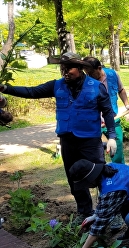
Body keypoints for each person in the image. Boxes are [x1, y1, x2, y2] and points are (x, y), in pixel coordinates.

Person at [0, 52, 117, 223]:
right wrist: (5, 88)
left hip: (90, 140)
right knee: (74, 177)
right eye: (63, 68)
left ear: (80, 68)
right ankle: (84, 211)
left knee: (100, 174)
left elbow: (107, 111)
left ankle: (110, 213)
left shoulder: (96, 86)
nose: (65, 72)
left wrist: (112, 136)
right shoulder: (57, 85)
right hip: (68, 140)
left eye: (69, 68)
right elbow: (32, 92)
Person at [83, 57, 129, 164]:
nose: (89, 75)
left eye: (91, 72)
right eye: (86, 72)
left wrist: (127, 105)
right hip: (94, 122)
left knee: (117, 153)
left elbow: (121, 90)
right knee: (94, 155)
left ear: (99, 68)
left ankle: (119, 175)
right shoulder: (85, 81)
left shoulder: (112, 74)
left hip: (113, 119)